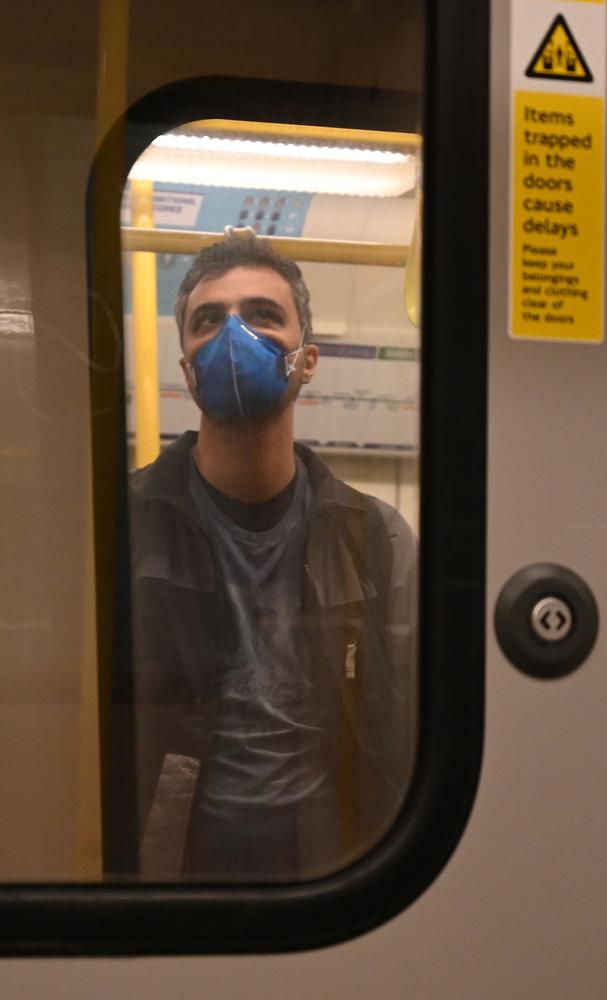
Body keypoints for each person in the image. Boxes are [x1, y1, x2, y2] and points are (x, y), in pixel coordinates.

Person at [125, 235, 417, 881]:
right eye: (208, 321)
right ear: (188, 365)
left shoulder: (376, 539)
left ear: (306, 359)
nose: (234, 335)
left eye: (262, 315)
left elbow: (407, 728)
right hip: (175, 875)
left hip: (340, 882)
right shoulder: (122, 527)